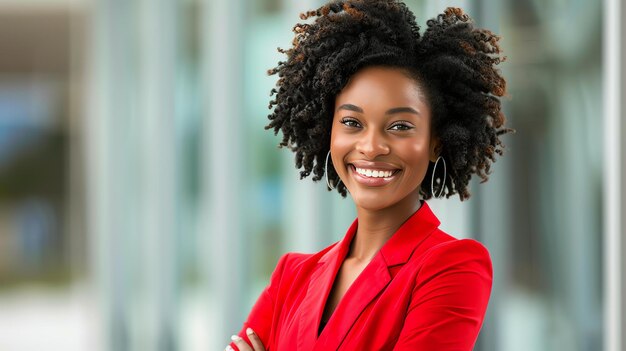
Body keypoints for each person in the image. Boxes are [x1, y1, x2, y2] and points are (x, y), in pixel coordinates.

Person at [227, 0, 512, 350]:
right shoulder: (292, 276)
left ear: (436, 143)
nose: (372, 146)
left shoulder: (452, 267)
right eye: (351, 122)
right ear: (325, 130)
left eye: (400, 126)